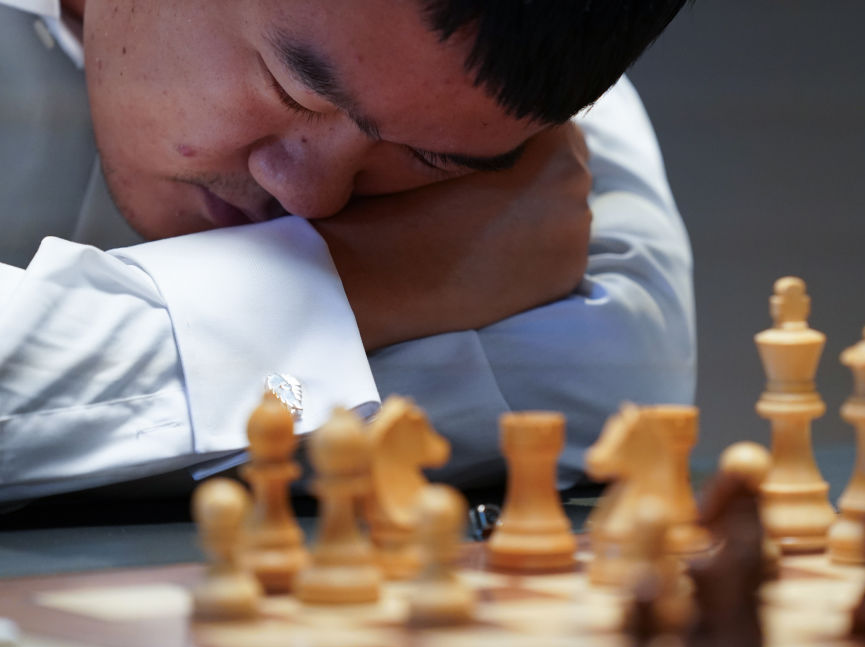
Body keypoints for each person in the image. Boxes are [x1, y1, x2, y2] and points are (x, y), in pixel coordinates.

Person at [0, 0, 696, 503]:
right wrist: (352, 287)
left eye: (427, 159)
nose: (312, 205)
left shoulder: (468, 50)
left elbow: (624, 373)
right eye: (290, 87)